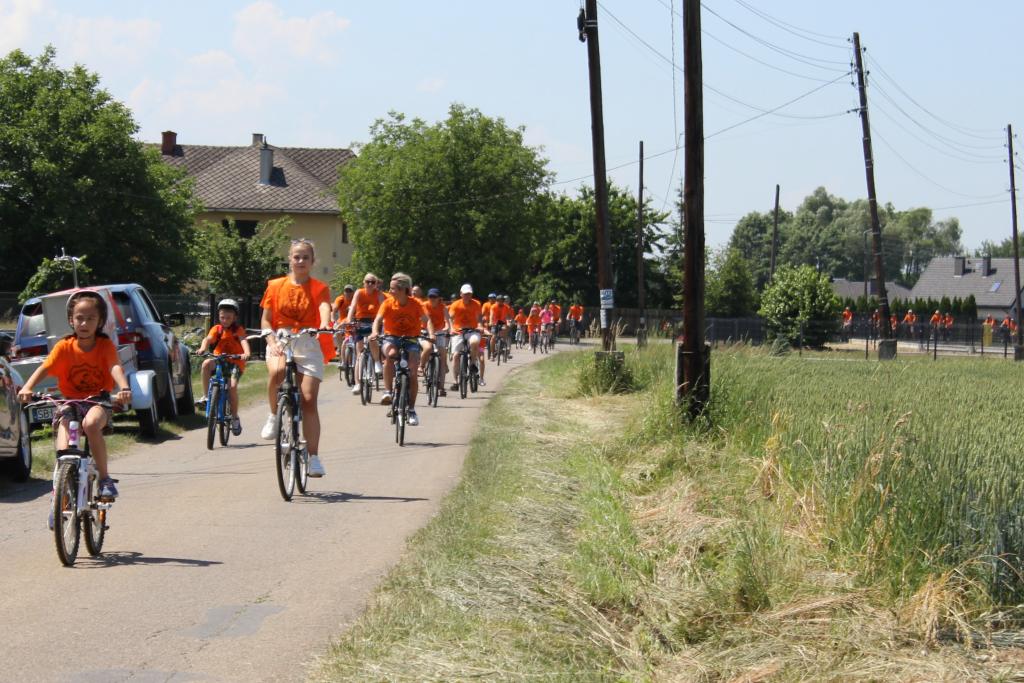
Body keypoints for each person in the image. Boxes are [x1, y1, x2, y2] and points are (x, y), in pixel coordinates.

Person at [18, 290, 132, 500]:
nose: (84, 323)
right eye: (79, 318)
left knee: (90, 424)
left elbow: (114, 366)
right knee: (64, 432)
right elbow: (45, 368)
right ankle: (62, 484)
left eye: (91, 318)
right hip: (71, 402)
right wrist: (27, 387)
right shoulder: (64, 346)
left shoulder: (104, 345)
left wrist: (124, 387)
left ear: (100, 321)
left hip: (98, 401)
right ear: (71, 320)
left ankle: (105, 479)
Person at [259, 238, 333, 477]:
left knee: (309, 400)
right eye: (296, 256)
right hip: (280, 338)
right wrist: (271, 341)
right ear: (290, 259)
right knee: (277, 372)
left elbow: (324, 307)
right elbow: (266, 320)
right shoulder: (275, 286)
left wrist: (324, 324)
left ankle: (313, 458)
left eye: (305, 257)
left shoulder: (319, 287)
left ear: (312, 261)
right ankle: (274, 415)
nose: (300, 261)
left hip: (307, 341)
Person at [371, 273, 434, 426]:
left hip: (411, 339)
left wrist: (431, 334)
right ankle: (388, 392)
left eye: (392, 288)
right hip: (391, 338)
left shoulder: (416, 303)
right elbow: (378, 320)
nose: (389, 291)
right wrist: (374, 332)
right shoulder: (387, 303)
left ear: (402, 290)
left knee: (412, 373)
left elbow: (427, 320)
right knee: (391, 355)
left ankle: (411, 409)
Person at [194, 298, 251, 435]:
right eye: (222, 317)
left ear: (235, 318)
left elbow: (243, 341)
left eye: (228, 318)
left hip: (235, 362)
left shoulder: (238, 330)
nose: (225, 320)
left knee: (232, 387)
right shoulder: (217, 329)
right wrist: (203, 348)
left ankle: (235, 417)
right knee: (206, 364)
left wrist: (246, 353)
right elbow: (207, 339)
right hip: (219, 359)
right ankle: (206, 396)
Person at [346, 273, 387, 395]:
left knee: (372, 339)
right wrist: (349, 319)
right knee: (359, 354)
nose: (369, 284)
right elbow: (353, 307)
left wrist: (384, 322)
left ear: (376, 284)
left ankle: (377, 361)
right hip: (360, 322)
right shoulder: (359, 292)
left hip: (375, 322)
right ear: (363, 282)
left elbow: (383, 309)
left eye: (372, 282)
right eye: (367, 281)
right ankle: (358, 384)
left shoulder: (379, 294)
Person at [449, 284, 485, 390]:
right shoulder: (455, 304)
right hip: (458, 331)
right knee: (456, 356)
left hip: (472, 330)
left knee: (474, 342)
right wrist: (451, 328)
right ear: (461, 294)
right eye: (465, 294)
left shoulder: (476, 304)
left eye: (469, 294)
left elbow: (479, 318)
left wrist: (480, 325)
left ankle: (473, 364)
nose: (467, 296)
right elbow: (450, 318)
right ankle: (455, 381)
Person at [420, 287, 453, 396]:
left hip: (439, 331)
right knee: (427, 348)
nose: (432, 299)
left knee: (443, 356)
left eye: (434, 297)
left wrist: (449, 328)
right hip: (425, 331)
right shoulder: (424, 305)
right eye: (430, 296)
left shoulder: (443, 307)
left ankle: (441, 388)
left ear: (439, 298)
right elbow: (422, 318)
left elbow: (448, 320)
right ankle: (422, 367)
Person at [331, 284, 356, 359]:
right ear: (344, 292)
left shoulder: (356, 299)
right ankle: (340, 349)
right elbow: (334, 311)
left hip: (353, 321)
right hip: (341, 321)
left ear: (353, 292)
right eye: (346, 291)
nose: (348, 293)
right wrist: (334, 321)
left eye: (350, 291)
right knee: (337, 332)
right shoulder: (340, 299)